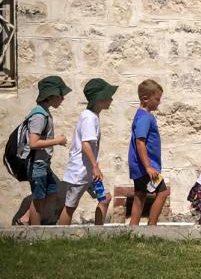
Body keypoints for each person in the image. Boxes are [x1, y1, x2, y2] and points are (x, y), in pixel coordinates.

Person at [58, 78, 118, 225]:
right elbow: (86, 144)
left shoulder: (93, 116)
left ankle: (98, 231)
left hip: (89, 173)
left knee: (105, 198)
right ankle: (59, 235)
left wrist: (94, 168)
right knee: (70, 207)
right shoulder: (89, 118)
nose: (111, 99)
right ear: (99, 99)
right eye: (108, 96)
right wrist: (95, 167)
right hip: (80, 172)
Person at [27, 76, 71, 225]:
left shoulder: (44, 112)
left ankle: (27, 219)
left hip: (44, 164)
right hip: (37, 164)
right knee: (38, 200)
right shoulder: (39, 115)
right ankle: (34, 232)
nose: (63, 99)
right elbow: (33, 143)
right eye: (60, 95)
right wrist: (57, 141)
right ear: (51, 95)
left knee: (52, 192)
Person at [128, 79, 169, 225]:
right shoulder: (144, 117)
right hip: (145, 167)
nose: (159, 102)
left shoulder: (143, 115)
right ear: (146, 98)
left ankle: (132, 229)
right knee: (163, 192)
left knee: (140, 196)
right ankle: (152, 227)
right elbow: (140, 142)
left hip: (139, 166)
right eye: (157, 99)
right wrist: (148, 166)